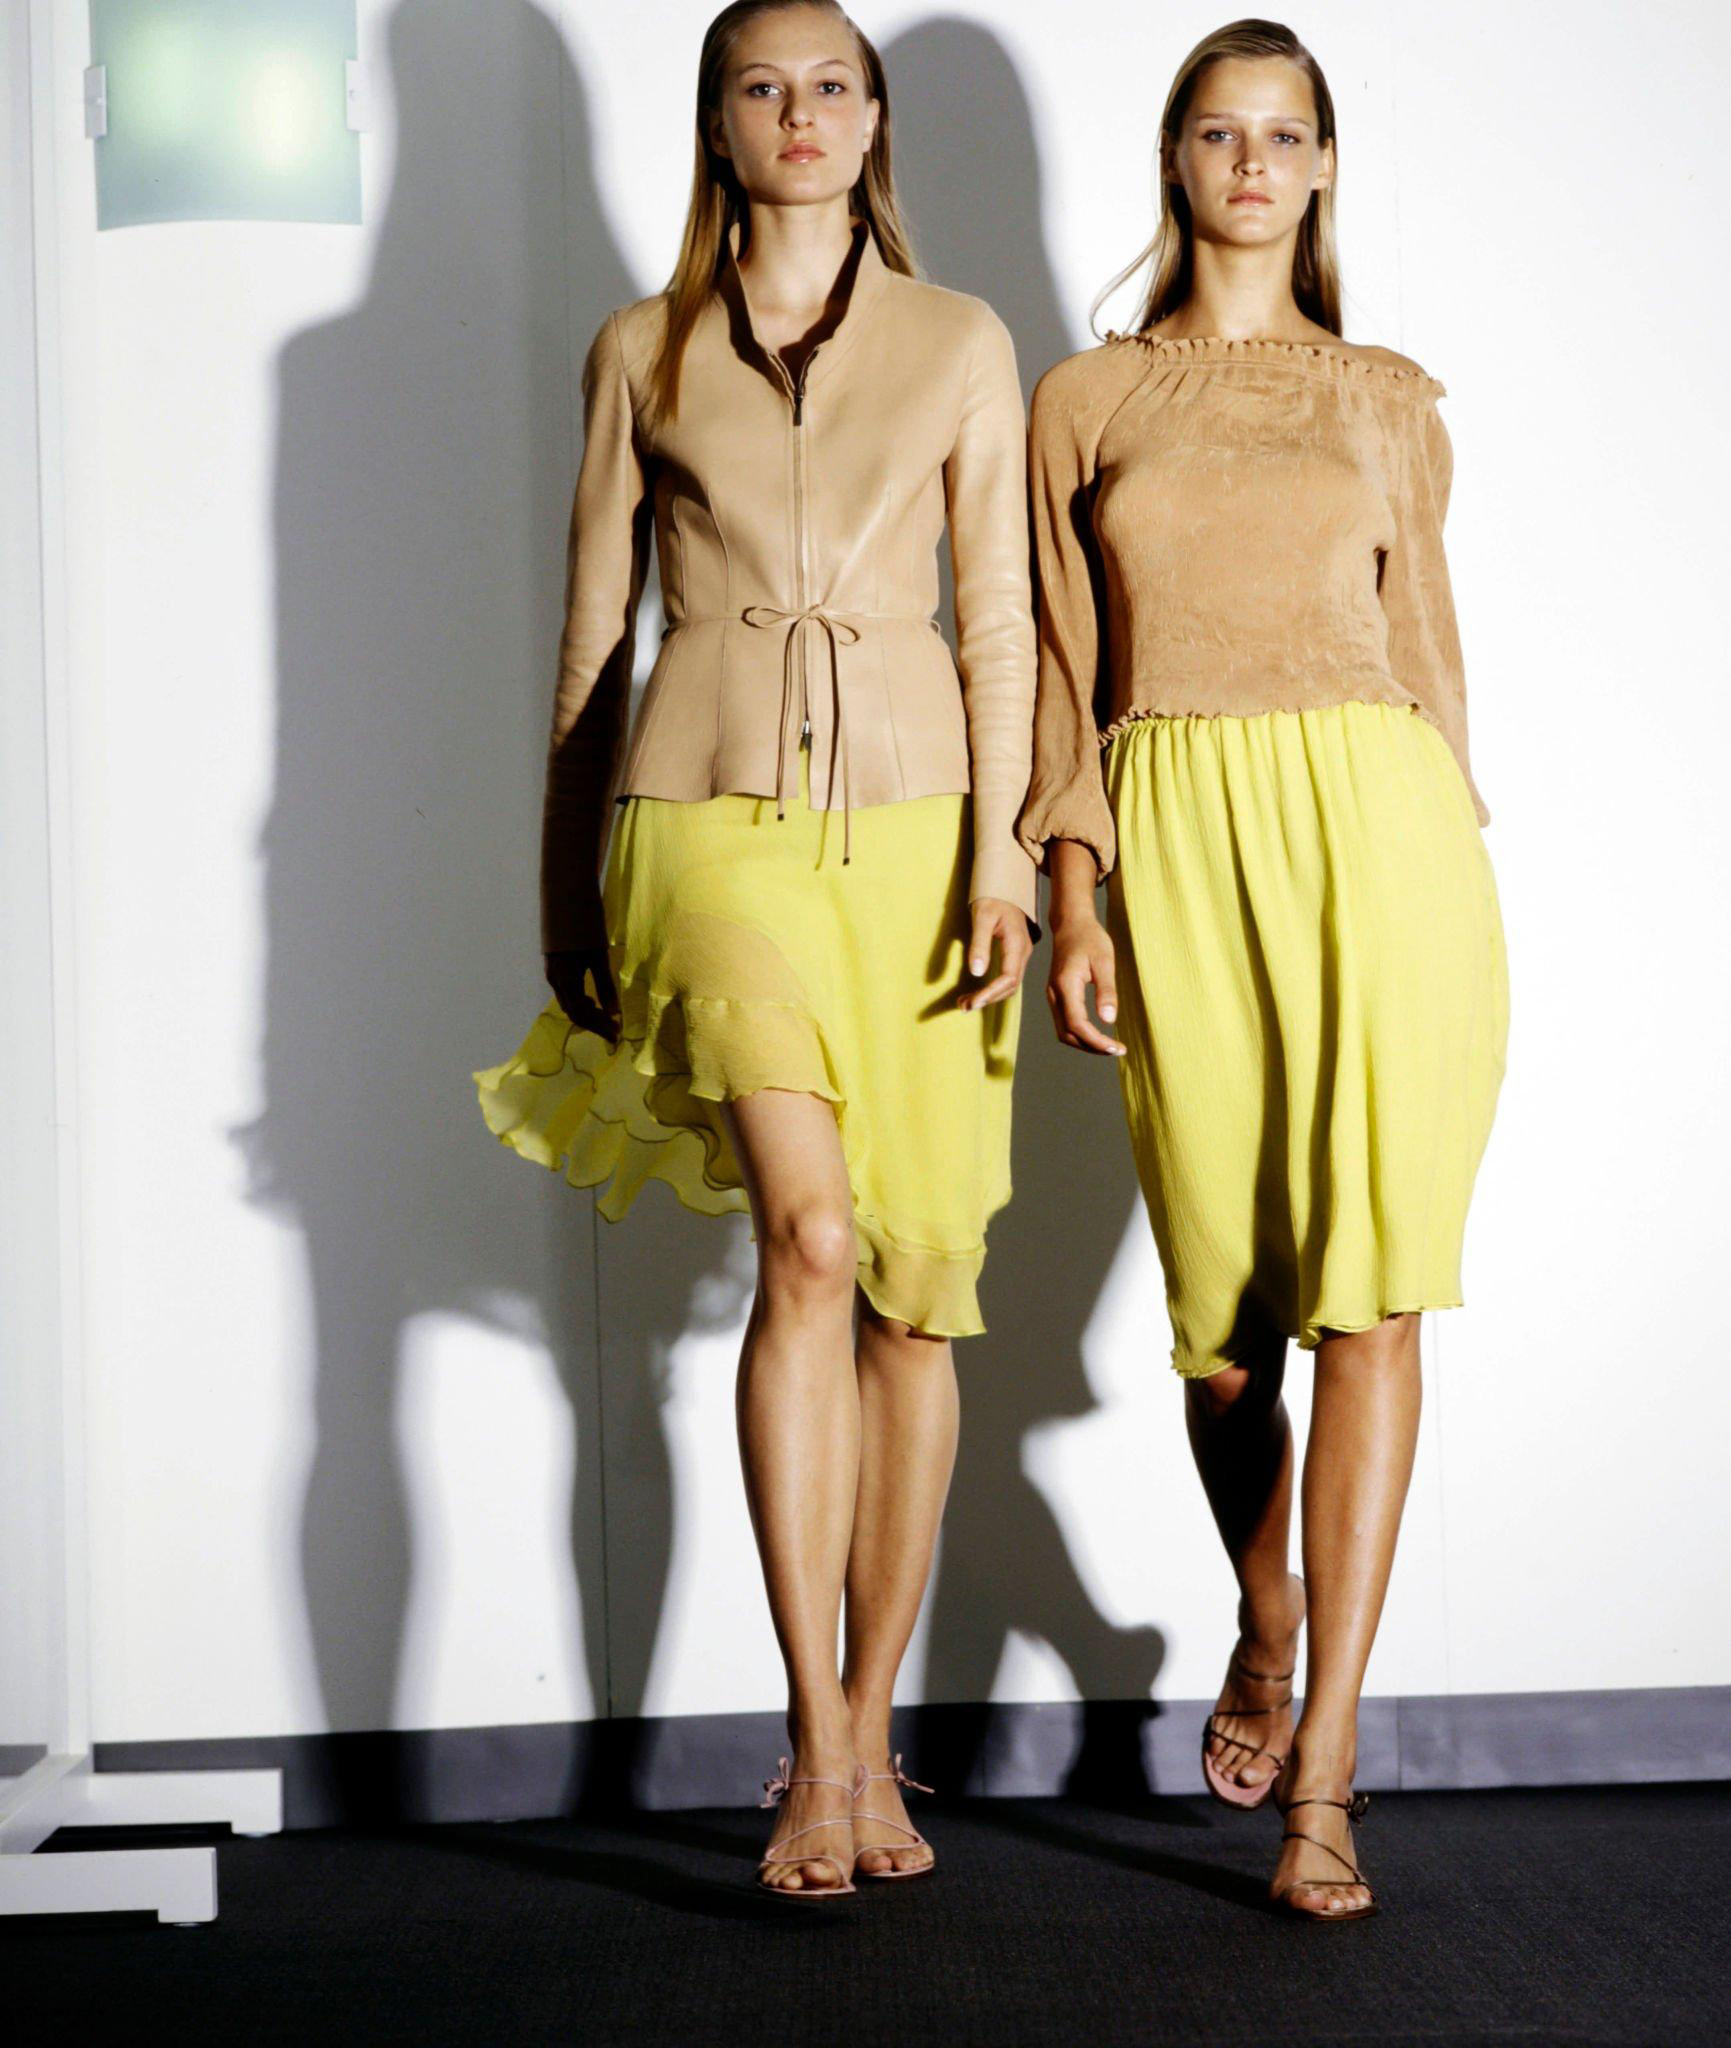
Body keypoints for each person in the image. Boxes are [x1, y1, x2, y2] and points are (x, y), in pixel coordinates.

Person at [472, 0, 1036, 1898]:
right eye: (759, 87)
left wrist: (1010, 856)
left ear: (872, 122)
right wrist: (563, 883)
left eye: (830, 85)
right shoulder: (639, 349)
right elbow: (593, 636)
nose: (798, 113)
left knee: (910, 1292)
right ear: (716, 124)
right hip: (705, 824)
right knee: (806, 1236)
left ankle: (875, 1736)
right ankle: (814, 1746)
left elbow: (1000, 626)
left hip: (922, 835)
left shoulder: (960, 340)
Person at [1017, 18, 1509, 1922]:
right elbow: (1063, 670)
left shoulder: (1387, 398)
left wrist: (1456, 839)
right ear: (1175, 157)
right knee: (1227, 1332)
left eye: (1282, 134)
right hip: (1178, 835)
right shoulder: (1088, 397)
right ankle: (1265, 1609)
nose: (1249, 162)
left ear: (1320, 166)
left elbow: (1431, 654)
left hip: (1381, 841)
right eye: (1217, 132)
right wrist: (1075, 893)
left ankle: (1327, 1771)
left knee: (1373, 1300)